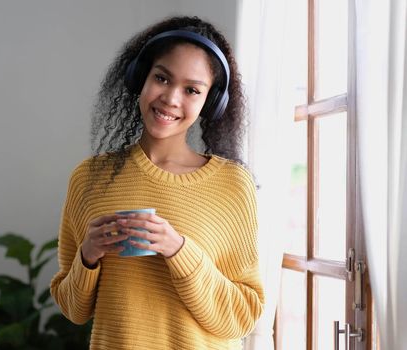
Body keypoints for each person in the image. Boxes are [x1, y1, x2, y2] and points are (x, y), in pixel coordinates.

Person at [50, 15, 264, 350]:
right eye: (162, 78)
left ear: (210, 101)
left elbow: (241, 315)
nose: (171, 98)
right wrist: (88, 255)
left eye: (192, 90)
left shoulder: (232, 184)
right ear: (141, 77)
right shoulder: (89, 178)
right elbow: (73, 310)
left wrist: (178, 248)